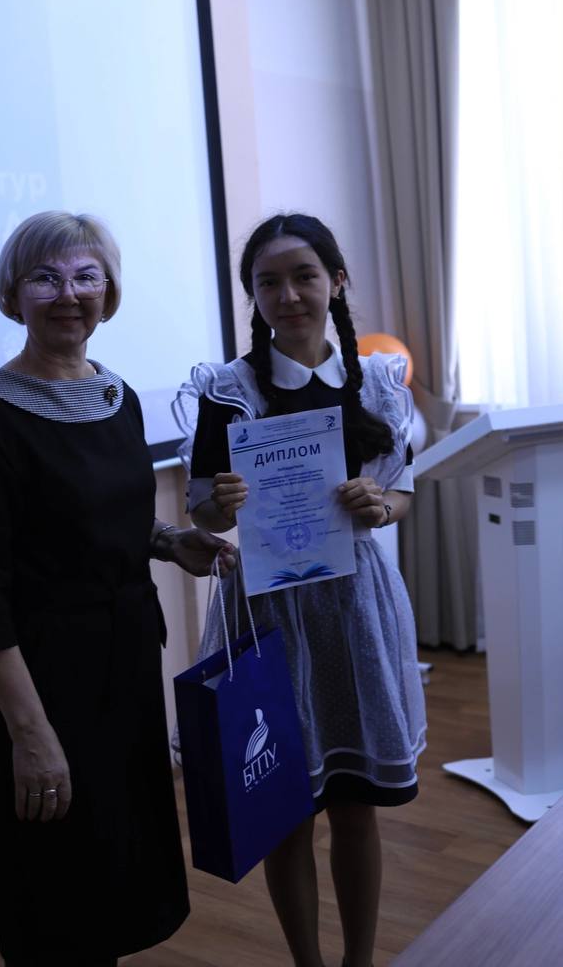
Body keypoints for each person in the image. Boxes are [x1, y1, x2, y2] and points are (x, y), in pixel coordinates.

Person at [0, 210, 235, 967]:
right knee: (57, 905)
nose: (67, 294)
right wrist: (30, 736)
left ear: (109, 291)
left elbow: (103, 521)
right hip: (41, 687)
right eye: (44, 277)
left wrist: (171, 543)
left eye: (85, 276)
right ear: (13, 295)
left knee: (116, 885)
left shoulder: (116, 397)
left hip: (125, 672)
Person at [177, 213, 426, 967]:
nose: (287, 295)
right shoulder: (228, 390)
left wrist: (379, 506)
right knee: (285, 808)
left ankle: (357, 960)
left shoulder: (376, 379)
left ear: (336, 282)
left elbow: (402, 491)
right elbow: (203, 511)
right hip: (266, 613)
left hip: (353, 606)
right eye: (268, 283)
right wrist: (220, 502)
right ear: (253, 296)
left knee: (355, 804)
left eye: (303, 276)